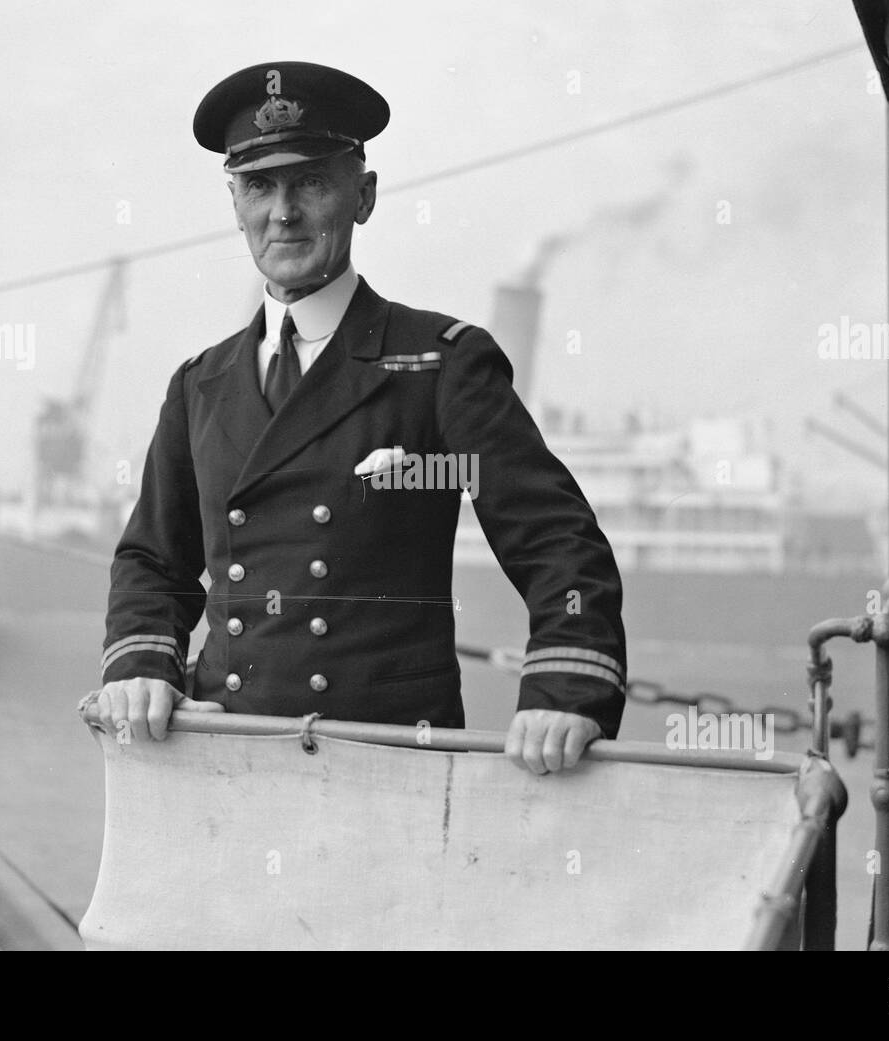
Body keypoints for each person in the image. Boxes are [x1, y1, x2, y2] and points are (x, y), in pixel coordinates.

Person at [96, 61, 626, 774]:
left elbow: (556, 540)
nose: (283, 213)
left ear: (364, 196)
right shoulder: (201, 384)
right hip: (226, 756)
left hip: (388, 762)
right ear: (235, 204)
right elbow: (154, 561)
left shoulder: (440, 363)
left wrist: (565, 690)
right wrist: (141, 669)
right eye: (259, 187)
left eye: (311, 183)